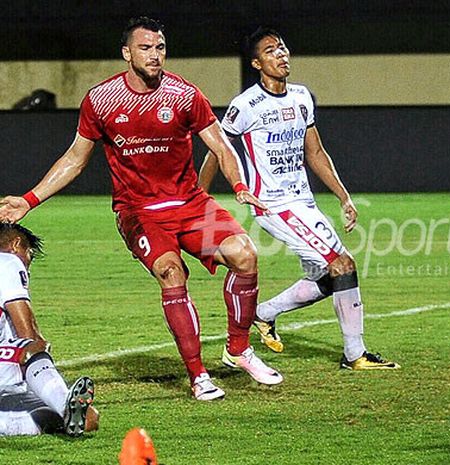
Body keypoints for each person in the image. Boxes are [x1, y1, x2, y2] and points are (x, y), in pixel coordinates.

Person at [0, 17, 283, 401]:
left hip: (190, 203)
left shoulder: (184, 94)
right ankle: (198, 375)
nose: (155, 55)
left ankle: (238, 349)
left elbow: (220, 146)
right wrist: (29, 199)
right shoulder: (100, 100)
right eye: (146, 48)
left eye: (160, 47)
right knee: (171, 273)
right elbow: (75, 158)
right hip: (139, 211)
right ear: (127, 53)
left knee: (245, 255)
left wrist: (239, 186)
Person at [198, 27, 399, 370]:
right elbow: (217, 152)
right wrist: (199, 199)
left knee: (331, 275)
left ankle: (264, 313)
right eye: (272, 50)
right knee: (342, 265)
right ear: (257, 62)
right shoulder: (245, 106)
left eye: (284, 48)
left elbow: (315, 152)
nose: (282, 54)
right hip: (273, 205)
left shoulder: (302, 97)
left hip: (302, 202)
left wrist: (343, 197)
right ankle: (355, 355)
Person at [0, 223, 98, 436]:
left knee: (46, 416)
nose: (28, 265)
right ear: (17, 245)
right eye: (29, 256)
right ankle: (66, 406)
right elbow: (28, 335)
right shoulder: (7, 261)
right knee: (32, 347)